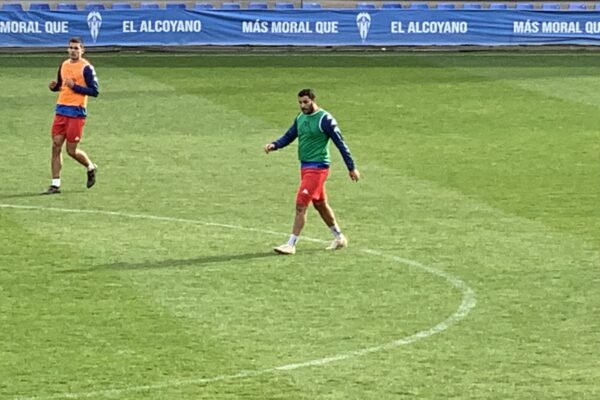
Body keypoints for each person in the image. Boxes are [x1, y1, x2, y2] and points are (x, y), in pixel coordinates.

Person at [264, 88, 360, 255]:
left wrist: (351, 167)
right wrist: (275, 145)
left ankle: (291, 243)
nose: (303, 106)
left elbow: (340, 143)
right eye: (300, 103)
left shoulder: (325, 119)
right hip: (305, 167)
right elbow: (290, 135)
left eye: (306, 102)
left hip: (318, 168)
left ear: (314, 100)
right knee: (320, 204)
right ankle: (339, 237)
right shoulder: (301, 118)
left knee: (301, 204)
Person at [44, 37, 99, 195]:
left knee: (71, 151)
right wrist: (54, 88)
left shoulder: (86, 68)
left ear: (82, 50)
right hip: (61, 110)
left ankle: (90, 167)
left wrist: (76, 87)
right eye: (71, 48)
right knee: (55, 145)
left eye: (76, 48)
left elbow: (94, 91)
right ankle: (55, 184)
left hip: (76, 112)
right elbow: (62, 86)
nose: (73, 51)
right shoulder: (64, 65)